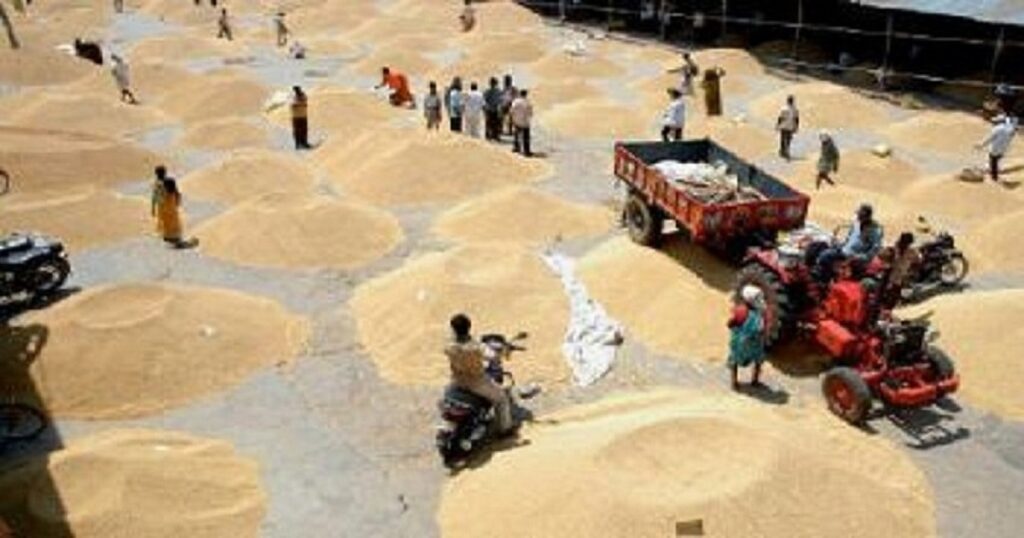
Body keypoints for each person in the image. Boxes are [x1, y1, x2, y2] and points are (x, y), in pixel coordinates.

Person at [445, 314, 515, 435]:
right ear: (469, 327)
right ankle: (505, 429)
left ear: (453, 329)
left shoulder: (449, 346)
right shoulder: (476, 347)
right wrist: (503, 350)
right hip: (477, 383)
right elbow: (492, 356)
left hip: (457, 382)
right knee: (502, 399)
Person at [814, 204, 884, 282]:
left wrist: (858, 257)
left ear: (867, 217)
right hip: (844, 251)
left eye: (860, 216)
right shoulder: (856, 224)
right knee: (820, 247)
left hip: (854, 257)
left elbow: (873, 251)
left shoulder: (874, 231)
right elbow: (849, 239)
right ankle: (822, 277)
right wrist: (839, 245)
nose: (858, 217)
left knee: (825, 257)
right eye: (858, 215)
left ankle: (824, 279)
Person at [728, 286, 767, 390]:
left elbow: (730, 323)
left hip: (740, 344)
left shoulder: (739, 310)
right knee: (758, 361)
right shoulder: (760, 312)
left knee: (733, 360)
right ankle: (755, 381)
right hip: (755, 345)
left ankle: (734, 383)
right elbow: (763, 329)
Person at [881, 232, 921, 308]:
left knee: (889, 300)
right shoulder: (893, 250)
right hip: (891, 279)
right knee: (888, 299)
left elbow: (917, 262)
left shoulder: (909, 252)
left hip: (894, 279)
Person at [151, 166, 186, 248]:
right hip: (170, 205)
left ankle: (170, 239)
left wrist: (153, 208)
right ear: (165, 173)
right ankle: (175, 240)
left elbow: (154, 196)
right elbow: (177, 193)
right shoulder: (170, 181)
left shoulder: (157, 183)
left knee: (166, 222)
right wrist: (178, 202)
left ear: (156, 174)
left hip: (163, 207)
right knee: (173, 222)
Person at [976, 115, 1018, 183]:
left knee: (993, 161)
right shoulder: (1010, 128)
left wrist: (981, 145)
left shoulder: (997, 129)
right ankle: (991, 169)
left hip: (995, 148)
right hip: (1004, 148)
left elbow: (989, 138)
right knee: (997, 159)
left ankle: (994, 177)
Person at [510, 89, 533, 157]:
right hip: (525, 122)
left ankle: (516, 148)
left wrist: (512, 118)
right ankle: (526, 151)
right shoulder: (528, 102)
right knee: (526, 137)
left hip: (517, 121)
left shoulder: (516, 101)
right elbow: (530, 113)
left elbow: (512, 111)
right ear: (526, 94)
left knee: (516, 134)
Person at [776, 95, 799, 160]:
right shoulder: (795, 109)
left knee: (782, 138)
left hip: (784, 125)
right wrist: (796, 126)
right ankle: (786, 150)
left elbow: (780, 117)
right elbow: (796, 119)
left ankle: (782, 151)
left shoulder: (784, 108)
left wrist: (778, 124)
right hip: (790, 126)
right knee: (788, 139)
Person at [483, 77, 503, 141]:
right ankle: (495, 136)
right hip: (495, 109)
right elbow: (500, 101)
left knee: (489, 123)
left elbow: (484, 100)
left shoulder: (487, 91)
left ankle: (489, 136)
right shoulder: (498, 91)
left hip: (490, 109)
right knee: (496, 123)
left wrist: (485, 108)